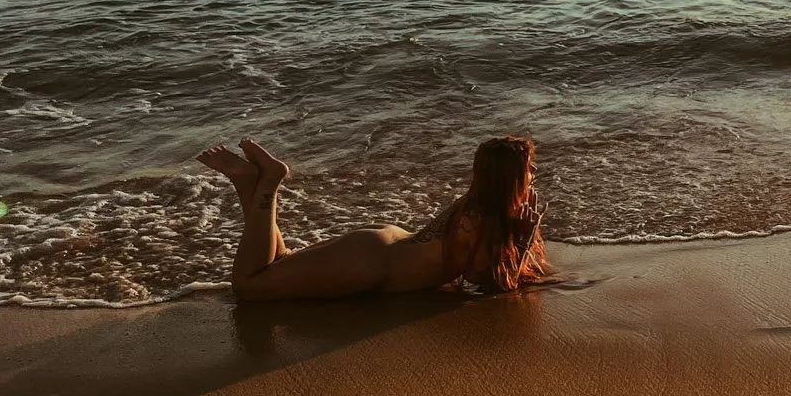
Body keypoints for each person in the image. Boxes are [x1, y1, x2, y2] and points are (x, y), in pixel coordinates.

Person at [198, 134, 548, 300]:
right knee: (247, 285)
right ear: (510, 178)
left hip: (379, 249)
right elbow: (487, 283)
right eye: (528, 168)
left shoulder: (476, 206)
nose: (533, 172)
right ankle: (269, 183)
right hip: (371, 264)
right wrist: (525, 234)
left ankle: (247, 182)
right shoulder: (482, 219)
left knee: (277, 262)